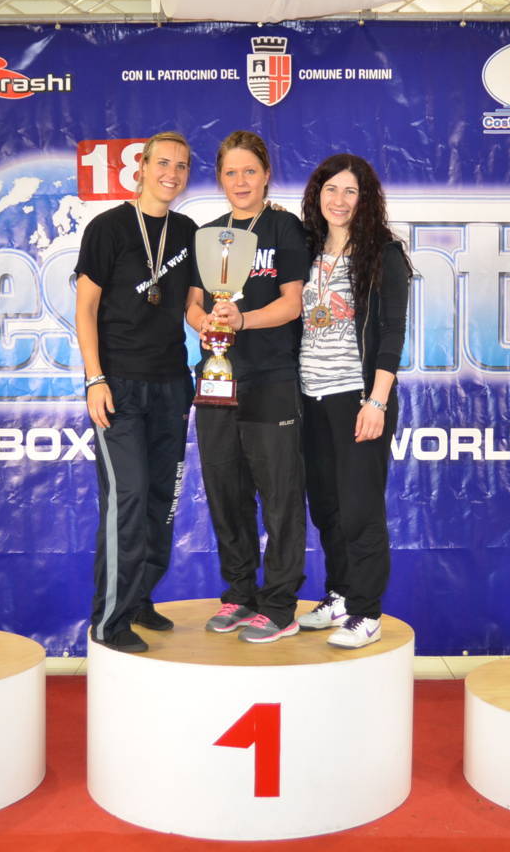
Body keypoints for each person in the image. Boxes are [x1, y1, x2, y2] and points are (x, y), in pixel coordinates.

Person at [74, 131, 198, 653]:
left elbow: (193, 306)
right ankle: (109, 620)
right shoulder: (108, 228)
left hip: (172, 385)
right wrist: (94, 378)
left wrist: (218, 323)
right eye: (163, 162)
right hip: (119, 386)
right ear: (141, 168)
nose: (172, 173)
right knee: (127, 499)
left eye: (182, 165)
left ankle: (139, 598)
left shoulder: (188, 232)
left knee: (160, 501)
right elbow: (85, 309)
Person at [186, 130, 308, 644]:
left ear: (266, 175)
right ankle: (239, 594)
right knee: (226, 493)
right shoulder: (208, 234)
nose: (241, 181)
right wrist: (205, 324)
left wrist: (242, 320)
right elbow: (192, 305)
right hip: (217, 381)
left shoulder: (284, 227)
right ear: (219, 178)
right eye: (231, 172)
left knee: (279, 497)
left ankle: (279, 606)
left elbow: (292, 304)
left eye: (250, 171)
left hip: (271, 380)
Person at [295, 154, 410, 649]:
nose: (339, 201)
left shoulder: (383, 253)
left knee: (360, 510)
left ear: (365, 200)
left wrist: (377, 402)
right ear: (317, 194)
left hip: (358, 398)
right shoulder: (304, 249)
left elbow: (392, 332)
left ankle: (366, 611)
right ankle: (340, 593)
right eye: (331, 190)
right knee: (327, 508)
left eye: (350, 191)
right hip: (310, 398)